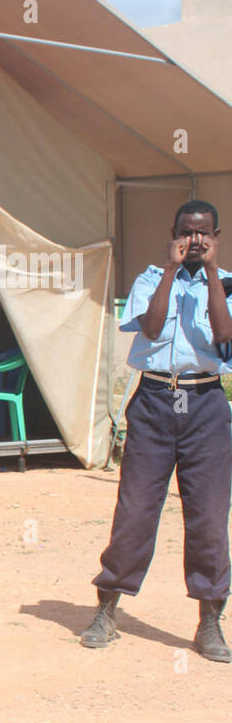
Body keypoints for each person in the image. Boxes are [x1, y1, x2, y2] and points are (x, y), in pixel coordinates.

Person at [84, 199, 232, 663]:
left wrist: (209, 275)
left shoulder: (226, 283)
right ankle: (108, 608)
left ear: (216, 238)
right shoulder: (151, 277)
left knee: (208, 516)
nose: (195, 241)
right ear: (173, 234)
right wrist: (171, 271)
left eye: (204, 233)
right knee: (135, 510)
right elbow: (148, 328)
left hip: (205, 402)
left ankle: (209, 621)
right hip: (153, 401)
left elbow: (225, 337)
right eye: (187, 233)